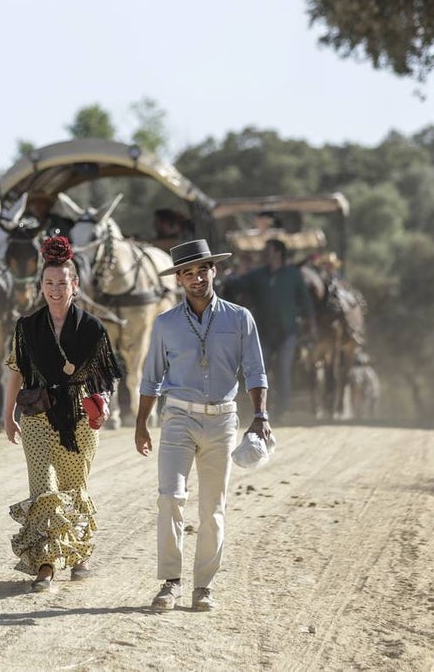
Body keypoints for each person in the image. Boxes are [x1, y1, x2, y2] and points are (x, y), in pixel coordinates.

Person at [135, 239, 270, 611]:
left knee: (213, 508)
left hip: (223, 418)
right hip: (177, 416)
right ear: (178, 279)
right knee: (169, 497)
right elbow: (151, 378)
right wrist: (141, 424)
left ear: (214, 270)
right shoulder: (165, 324)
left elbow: (255, 371)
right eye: (188, 273)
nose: (196, 278)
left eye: (202, 270)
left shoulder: (240, 318)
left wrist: (260, 416)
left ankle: (204, 587)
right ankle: (171, 582)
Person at [2, 236, 122, 591]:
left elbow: (105, 379)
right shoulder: (26, 328)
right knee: (45, 488)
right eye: (49, 283)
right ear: (41, 286)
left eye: (62, 283)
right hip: (37, 415)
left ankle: (78, 553)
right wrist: (7, 415)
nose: (55, 290)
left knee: (74, 486)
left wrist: (103, 403)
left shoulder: (92, 328)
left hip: (80, 420)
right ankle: (45, 563)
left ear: (76, 285)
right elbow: (15, 372)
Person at [226, 238, 315, 411]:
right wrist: (236, 274)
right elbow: (234, 287)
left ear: (278, 253)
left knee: (283, 370)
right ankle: (261, 409)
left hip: (287, 332)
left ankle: (281, 410)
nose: (264, 254)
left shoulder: (292, 275)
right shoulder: (257, 275)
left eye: (268, 250)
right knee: (260, 373)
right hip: (263, 333)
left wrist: (311, 324)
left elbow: (305, 302)